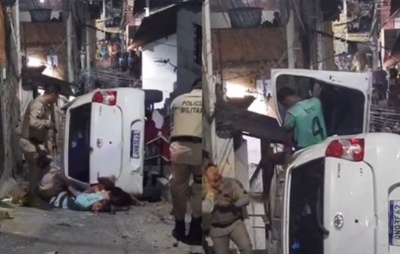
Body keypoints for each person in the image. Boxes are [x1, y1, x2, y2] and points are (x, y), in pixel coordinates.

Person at [169, 78, 202, 246]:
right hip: (199, 150)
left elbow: (172, 124)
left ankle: (179, 227)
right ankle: (196, 228)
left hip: (178, 149)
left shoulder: (177, 100)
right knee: (199, 188)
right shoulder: (209, 102)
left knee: (179, 187)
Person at [203, 164, 253, 254]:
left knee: (247, 248)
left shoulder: (231, 183)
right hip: (216, 228)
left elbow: (246, 198)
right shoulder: (204, 190)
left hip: (234, 223)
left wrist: (234, 205)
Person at [19, 83, 60, 194]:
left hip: (34, 143)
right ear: (52, 94)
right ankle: (41, 193)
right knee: (46, 165)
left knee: (35, 171)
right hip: (29, 142)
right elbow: (33, 122)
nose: (56, 100)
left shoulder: (44, 105)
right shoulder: (38, 104)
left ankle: (32, 194)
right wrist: (47, 123)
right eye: (56, 96)